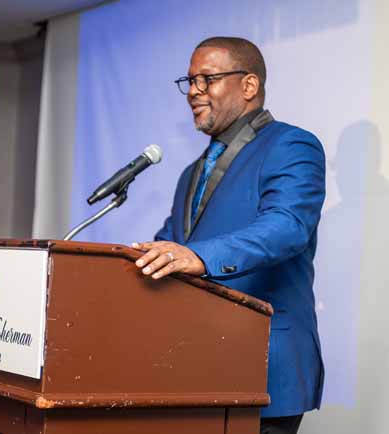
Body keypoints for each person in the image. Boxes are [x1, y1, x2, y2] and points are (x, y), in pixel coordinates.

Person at [132, 36, 325, 434]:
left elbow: (288, 227)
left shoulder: (292, 145)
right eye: (190, 81)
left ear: (249, 86)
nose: (194, 92)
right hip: (198, 367)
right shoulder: (191, 172)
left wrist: (199, 257)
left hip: (263, 364)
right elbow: (172, 242)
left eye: (208, 79)